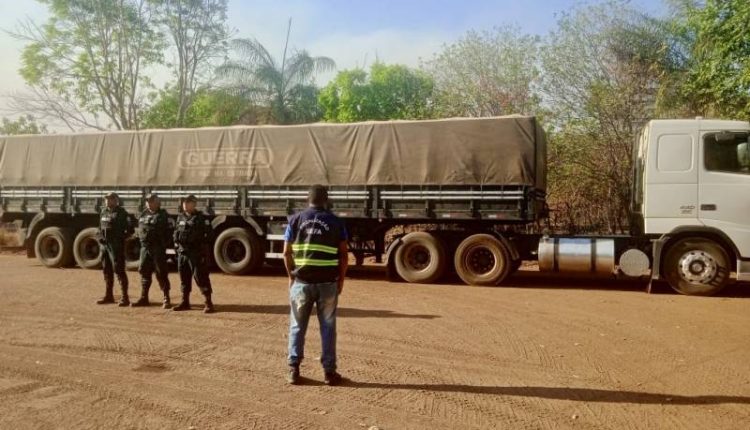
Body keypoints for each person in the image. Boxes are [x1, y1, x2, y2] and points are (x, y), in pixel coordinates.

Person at [283, 184, 348, 386]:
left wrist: (291, 278)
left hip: (301, 283)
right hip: (328, 284)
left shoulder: (294, 220)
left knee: (297, 327)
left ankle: (294, 370)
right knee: (328, 328)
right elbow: (344, 255)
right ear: (326, 200)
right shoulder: (337, 222)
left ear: (307, 199)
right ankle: (329, 373)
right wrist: (341, 280)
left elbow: (286, 252)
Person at [173, 194, 214, 313]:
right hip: (183, 253)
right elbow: (176, 233)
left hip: (196, 253)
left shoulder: (201, 218)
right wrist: (177, 245)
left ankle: (208, 303)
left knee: (201, 277)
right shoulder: (180, 217)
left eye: (188, 202)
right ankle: (185, 302)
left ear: (194, 204)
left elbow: (210, 235)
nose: (185, 204)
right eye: (183, 202)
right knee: (184, 278)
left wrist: (200, 247)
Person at [132, 193, 172, 309]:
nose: (148, 203)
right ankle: (144, 298)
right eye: (147, 201)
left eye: (151, 201)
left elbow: (170, 233)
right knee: (144, 271)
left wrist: (163, 245)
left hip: (157, 249)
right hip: (145, 248)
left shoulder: (163, 215)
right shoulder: (143, 214)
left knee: (161, 273)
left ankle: (166, 298)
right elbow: (139, 230)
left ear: (157, 202)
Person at [96, 192, 133, 306]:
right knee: (107, 270)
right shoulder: (103, 211)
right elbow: (99, 228)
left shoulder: (122, 213)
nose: (108, 201)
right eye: (106, 199)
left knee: (119, 270)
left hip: (116, 246)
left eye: (111, 199)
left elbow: (130, 230)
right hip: (105, 246)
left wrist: (119, 240)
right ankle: (109, 295)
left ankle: (124, 297)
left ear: (116, 200)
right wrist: (100, 237)